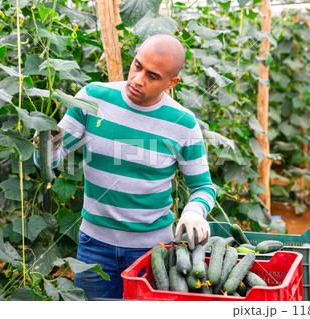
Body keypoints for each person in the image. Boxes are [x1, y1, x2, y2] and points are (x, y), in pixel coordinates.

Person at [34, 34, 216, 299]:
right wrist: (46, 139)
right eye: (137, 65)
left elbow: (203, 187)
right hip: (93, 248)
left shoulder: (183, 123)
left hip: (152, 253)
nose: (137, 79)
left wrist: (194, 212)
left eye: (152, 76)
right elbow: (47, 163)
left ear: (171, 83)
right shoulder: (93, 98)